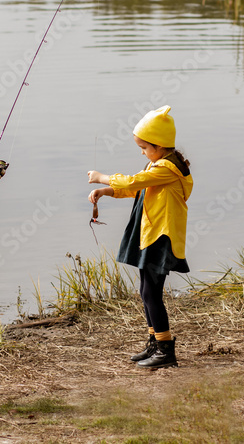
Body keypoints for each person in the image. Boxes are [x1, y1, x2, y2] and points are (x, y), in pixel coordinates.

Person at [87, 105, 193, 369]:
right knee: (146, 291)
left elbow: (134, 181)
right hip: (151, 231)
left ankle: (166, 350)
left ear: (158, 146)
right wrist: (107, 191)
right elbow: (139, 188)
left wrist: (103, 176)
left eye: (144, 148)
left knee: (151, 292)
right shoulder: (157, 164)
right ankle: (155, 342)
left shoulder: (168, 168)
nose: (142, 153)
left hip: (162, 235)